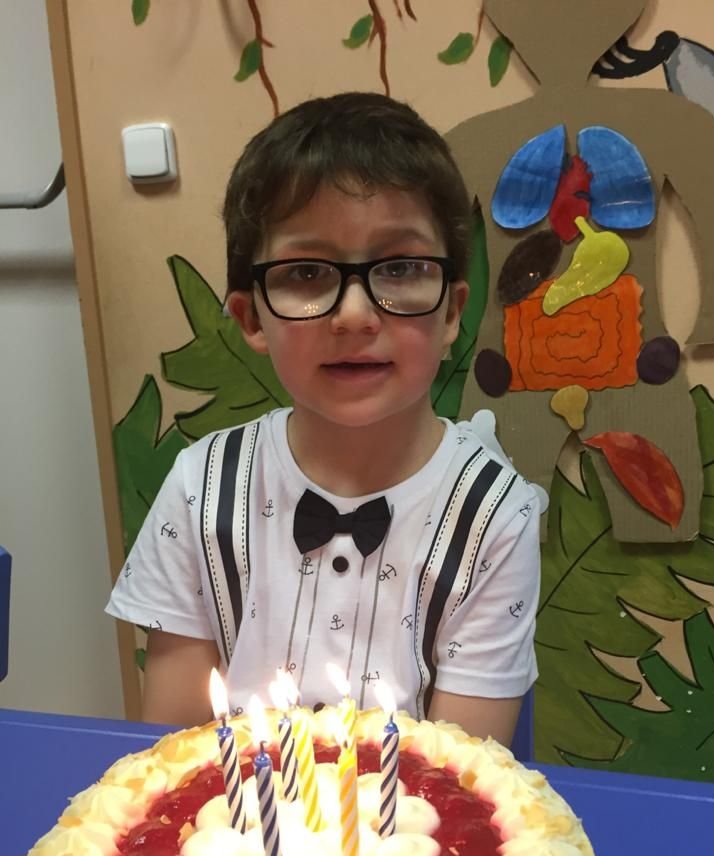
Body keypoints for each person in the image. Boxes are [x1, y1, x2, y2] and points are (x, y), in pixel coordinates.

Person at [107, 92, 540, 746]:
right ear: (252, 318)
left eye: (400, 267)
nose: (354, 315)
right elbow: (170, 754)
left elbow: (462, 778)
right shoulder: (201, 489)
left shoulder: (494, 516)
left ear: (453, 311)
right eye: (307, 273)